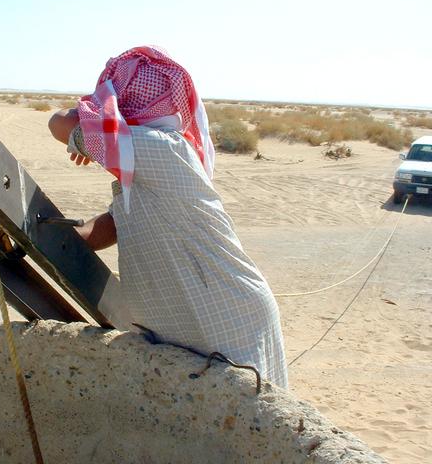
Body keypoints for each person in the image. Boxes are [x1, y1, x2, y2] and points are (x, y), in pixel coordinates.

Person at [48, 46, 288, 388]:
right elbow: (117, 222)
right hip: (202, 321)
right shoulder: (144, 157)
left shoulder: (158, 147)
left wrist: (91, 128)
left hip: (228, 320)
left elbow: (58, 123)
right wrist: (59, 241)